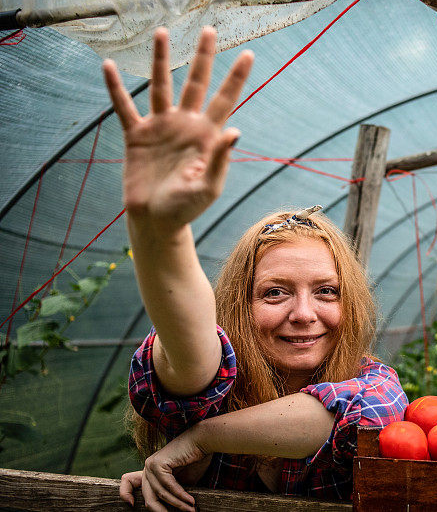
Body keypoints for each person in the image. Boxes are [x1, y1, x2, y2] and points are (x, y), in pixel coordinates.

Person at [103, 27, 408, 512]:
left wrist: (203, 438)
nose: (304, 313)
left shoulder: (372, 384)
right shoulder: (213, 387)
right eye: (274, 293)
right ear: (237, 306)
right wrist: (161, 235)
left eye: (326, 292)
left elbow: (366, 416)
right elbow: (188, 346)